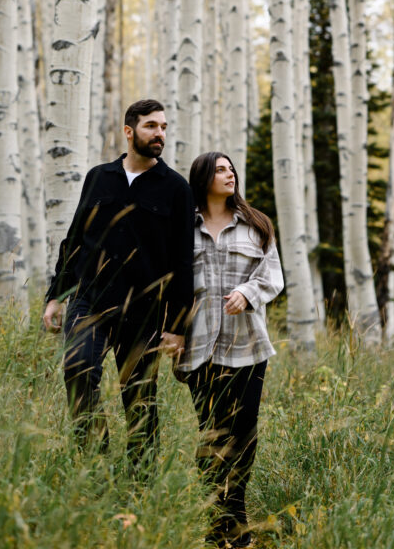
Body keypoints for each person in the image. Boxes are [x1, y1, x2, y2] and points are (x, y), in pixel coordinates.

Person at [42, 98, 194, 473]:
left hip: (143, 312)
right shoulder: (99, 177)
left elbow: (183, 262)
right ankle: (94, 464)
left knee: (140, 399)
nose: (159, 134)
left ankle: (140, 480)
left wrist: (177, 327)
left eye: (163, 127)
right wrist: (56, 296)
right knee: (77, 370)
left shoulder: (176, 188)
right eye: (151, 126)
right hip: (89, 301)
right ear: (129, 131)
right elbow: (74, 240)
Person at [175, 152, 284, 549]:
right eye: (221, 170)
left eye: (231, 168)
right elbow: (172, 285)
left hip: (249, 349)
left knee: (243, 437)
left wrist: (247, 292)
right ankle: (222, 522)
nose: (230, 174)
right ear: (203, 178)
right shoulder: (183, 227)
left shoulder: (256, 225)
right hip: (200, 350)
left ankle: (231, 519)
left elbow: (273, 277)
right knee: (212, 437)